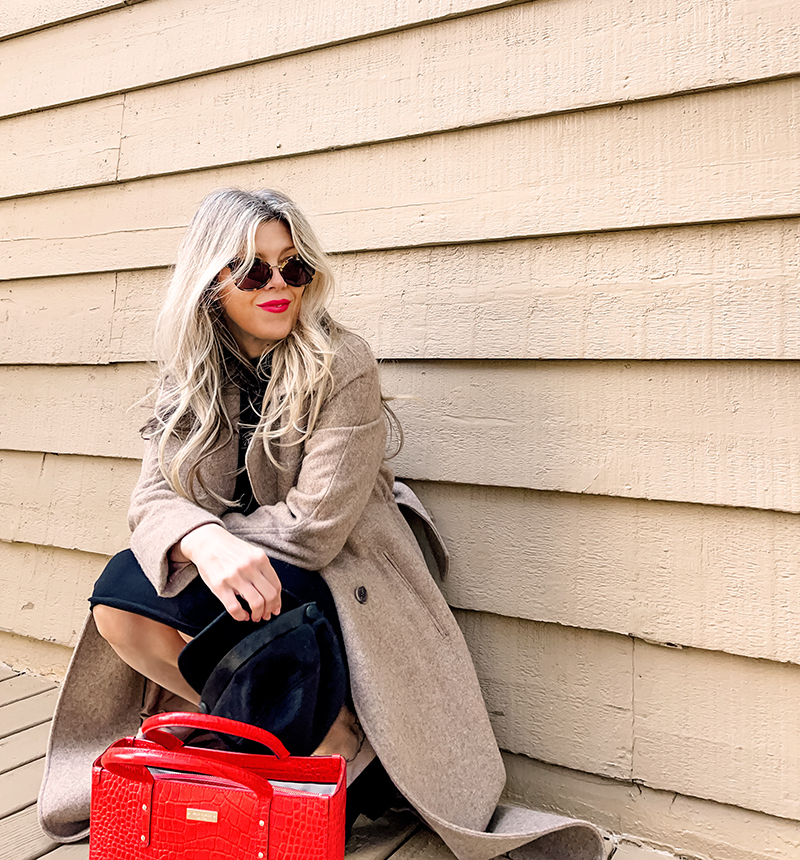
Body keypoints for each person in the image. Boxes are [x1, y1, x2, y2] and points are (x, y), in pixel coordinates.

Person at [38, 188, 603, 860]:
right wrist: (203, 539)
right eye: (252, 269)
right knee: (122, 596)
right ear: (212, 284)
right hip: (258, 584)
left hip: (343, 585)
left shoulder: (342, 362)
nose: (277, 284)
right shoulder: (190, 374)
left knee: (186, 571)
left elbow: (314, 528)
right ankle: (289, 738)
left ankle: (345, 735)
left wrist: (211, 535)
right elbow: (150, 501)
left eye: (292, 265)